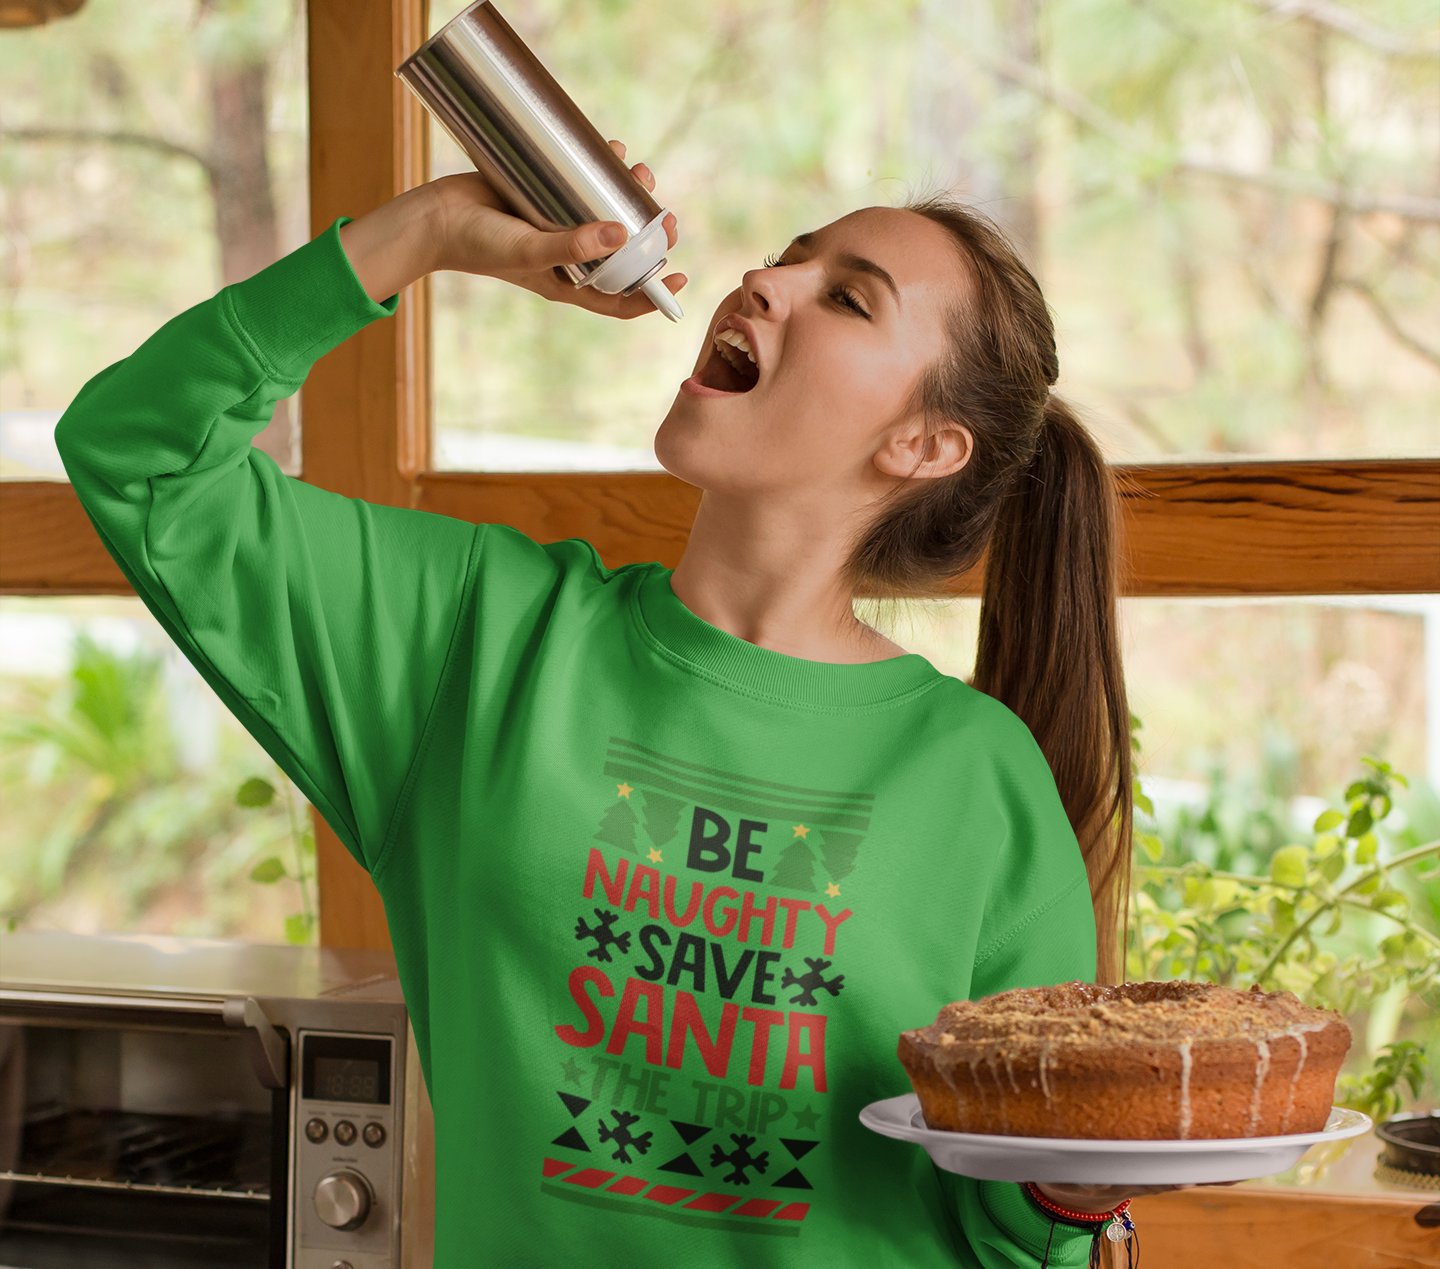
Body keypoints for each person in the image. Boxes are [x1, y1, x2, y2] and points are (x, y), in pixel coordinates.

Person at [54, 140, 1231, 1267]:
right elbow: (138, 455)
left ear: (924, 444)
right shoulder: (472, 639)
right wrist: (419, 234)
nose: (766, 281)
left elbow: (1023, 1228)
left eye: (848, 299)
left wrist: (1071, 1185)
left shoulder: (979, 774)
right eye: (790, 254)